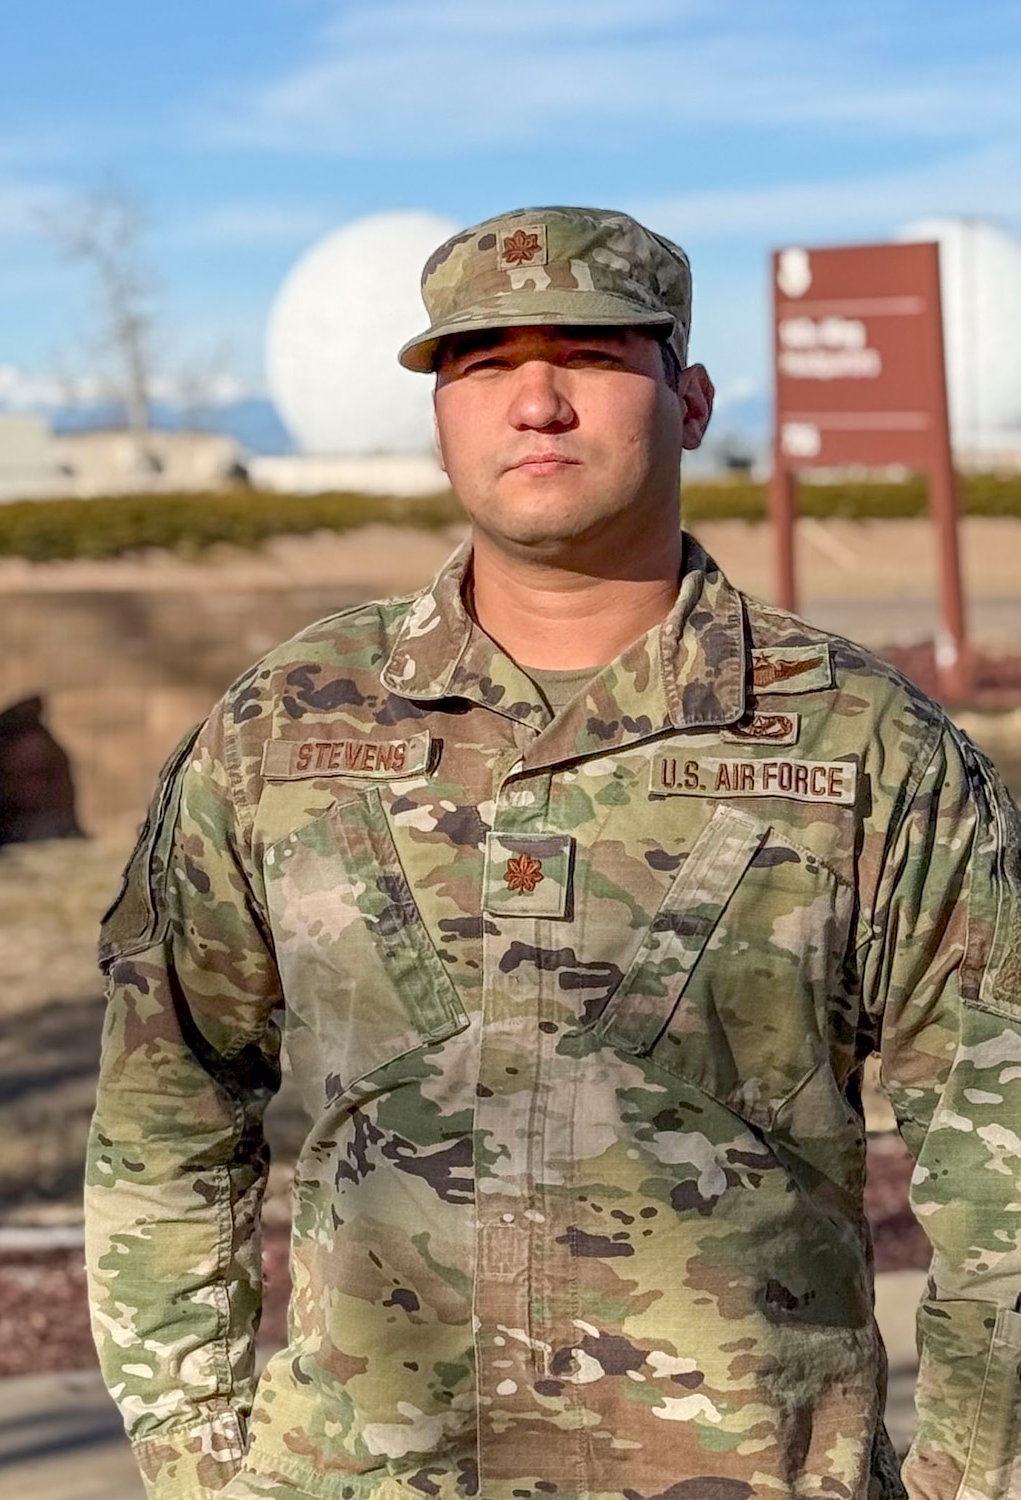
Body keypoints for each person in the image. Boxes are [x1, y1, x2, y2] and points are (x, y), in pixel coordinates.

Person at [85, 206, 1021, 1500]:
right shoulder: (284, 730)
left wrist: (969, 1481)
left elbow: (999, 1151)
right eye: (480, 364)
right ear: (440, 417)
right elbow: (166, 1108)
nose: (535, 401)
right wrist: (199, 1464)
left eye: (588, 355)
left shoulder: (864, 747)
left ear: (687, 401)